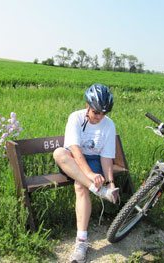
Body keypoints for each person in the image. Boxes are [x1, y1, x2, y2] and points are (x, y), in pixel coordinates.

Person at [53, 83, 119, 263]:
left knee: (80, 187)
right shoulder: (75, 117)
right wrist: (89, 174)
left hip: (94, 160)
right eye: (96, 112)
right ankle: (98, 191)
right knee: (59, 153)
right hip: (73, 160)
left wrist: (111, 183)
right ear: (87, 106)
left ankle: (81, 243)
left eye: (104, 113)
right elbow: (74, 149)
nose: (100, 117)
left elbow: (106, 157)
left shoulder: (109, 125)